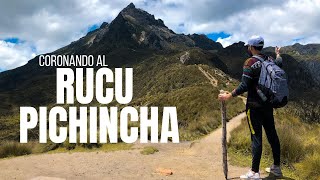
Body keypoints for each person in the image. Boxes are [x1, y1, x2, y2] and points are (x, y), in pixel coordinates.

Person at [218, 36, 283, 179]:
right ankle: (277, 167)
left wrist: (229, 95)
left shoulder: (250, 62)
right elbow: (279, 64)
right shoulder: (269, 60)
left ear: (252, 47)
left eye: (249, 46)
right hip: (268, 105)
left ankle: (254, 172)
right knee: (272, 134)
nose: (248, 48)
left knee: (256, 137)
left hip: (254, 107)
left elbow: (244, 85)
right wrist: (278, 53)